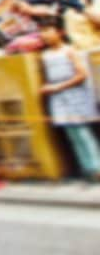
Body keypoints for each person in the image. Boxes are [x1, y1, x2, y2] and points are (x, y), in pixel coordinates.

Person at [38, 16, 100, 181]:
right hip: (59, 98)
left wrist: (57, 87)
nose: (44, 35)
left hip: (74, 94)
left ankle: (96, 167)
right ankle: (86, 168)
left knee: (82, 133)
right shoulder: (45, 55)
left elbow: (82, 74)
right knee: (72, 134)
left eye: (47, 31)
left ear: (60, 32)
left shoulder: (70, 51)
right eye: (42, 32)